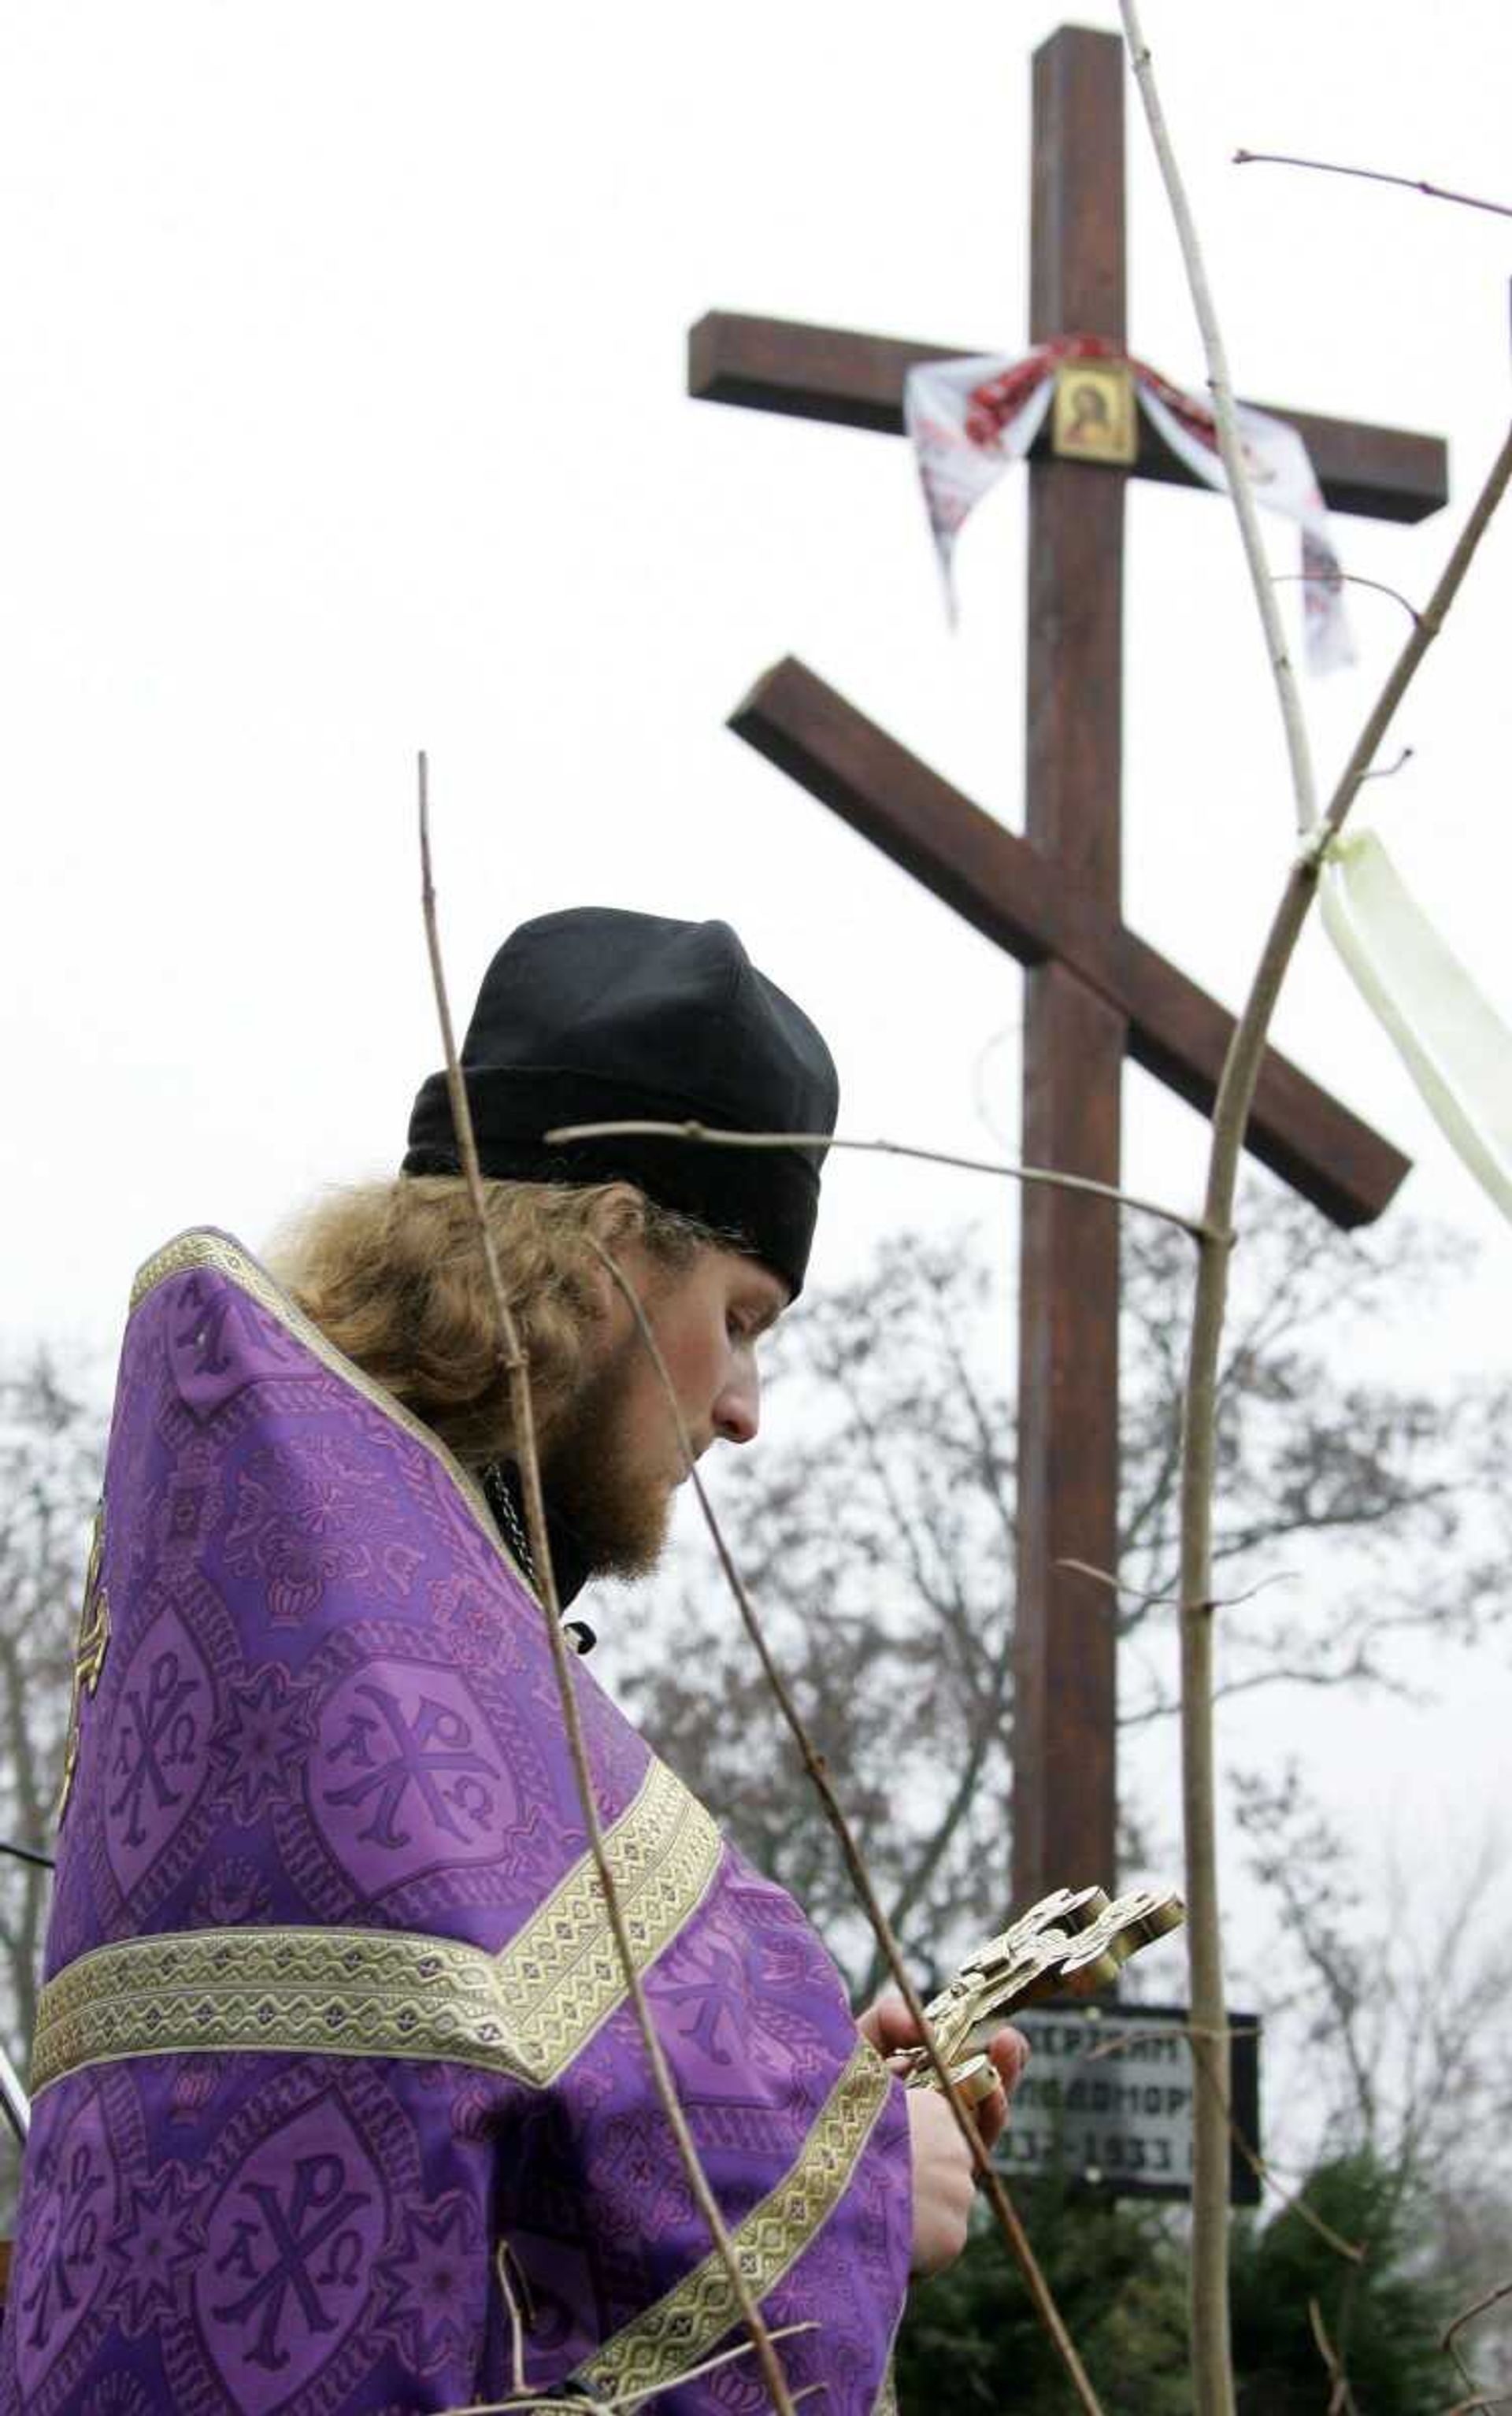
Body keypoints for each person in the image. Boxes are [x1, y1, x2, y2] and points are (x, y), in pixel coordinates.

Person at [2, 909, 1025, 2414]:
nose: (744, 1408)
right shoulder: (392, 1642)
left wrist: (818, 2092)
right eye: (738, 1319)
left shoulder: (292, 1584)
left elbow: (443, 2179)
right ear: (609, 1255)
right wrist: (866, 2175)